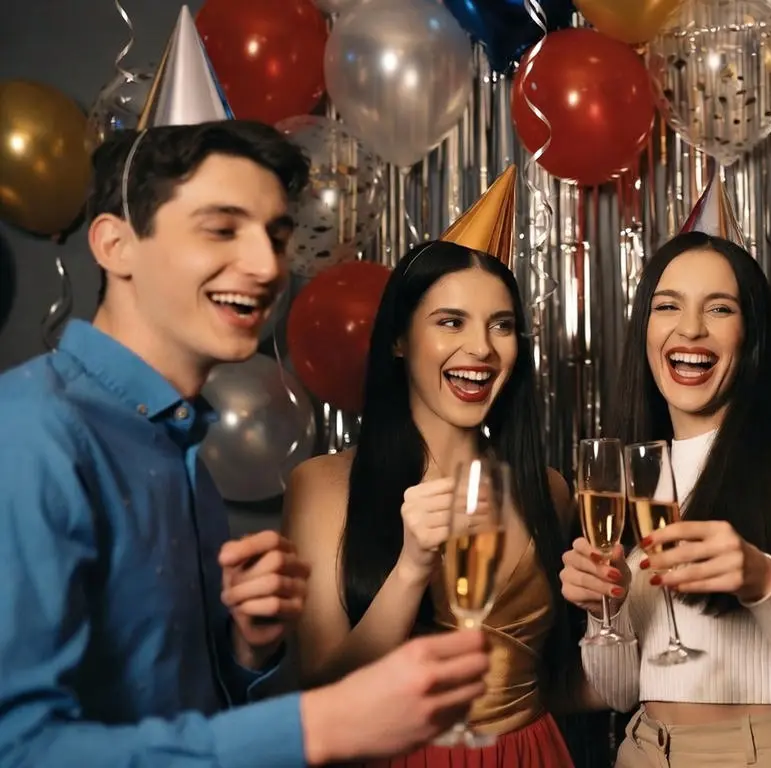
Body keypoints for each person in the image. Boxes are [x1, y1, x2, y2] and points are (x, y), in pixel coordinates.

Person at [0, 122, 492, 767]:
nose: (267, 267)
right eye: (222, 228)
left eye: (277, 236)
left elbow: (180, 714)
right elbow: (20, 749)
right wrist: (317, 726)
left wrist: (245, 649)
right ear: (115, 244)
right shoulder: (30, 433)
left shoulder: (176, 446)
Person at [561, 231, 771, 767]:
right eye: (667, 306)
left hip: (758, 752)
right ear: (646, 330)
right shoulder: (634, 474)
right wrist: (604, 611)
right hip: (643, 749)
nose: (691, 328)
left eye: (719, 308)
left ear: (750, 334)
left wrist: (762, 579)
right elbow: (617, 694)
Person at [284, 240, 588, 767]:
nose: (481, 349)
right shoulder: (323, 485)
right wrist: (411, 568)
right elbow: (323, 685)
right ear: (400, 339)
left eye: (501, 325)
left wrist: (625, 615)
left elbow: (558, 678)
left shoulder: (550, 490)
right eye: (451, 322)